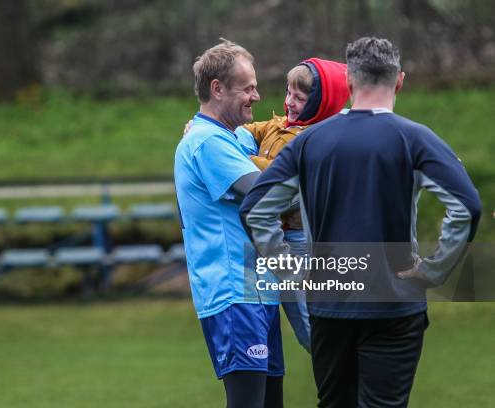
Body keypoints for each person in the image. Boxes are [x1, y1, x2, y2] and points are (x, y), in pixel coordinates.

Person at [240, 37, 481, 408]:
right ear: (399, 81)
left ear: (349, 83)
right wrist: (434, 271)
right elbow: (466, 205)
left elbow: (256, 210)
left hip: (329, 305)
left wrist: (291, 270)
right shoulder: (415, 139)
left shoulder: (309, 143)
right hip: (394, 303)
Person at [184, 57, 349, 352]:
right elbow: (244, 132)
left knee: (309, 318)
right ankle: (333, 360)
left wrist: (238, 162)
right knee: (297, 317)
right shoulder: (282, 125)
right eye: (288, 93)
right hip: (276, 239)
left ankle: (337, 362)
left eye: (299, 98)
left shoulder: (316, 139)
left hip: (299, 240)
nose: (289, 103)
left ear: (321, 104)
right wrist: (206, 131)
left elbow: (278, 177)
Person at [174, 39, 284, 408]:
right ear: (217, 89)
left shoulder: (232, 137)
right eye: (247, 88)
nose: (256, 95)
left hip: (259, 290)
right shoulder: (207, 142)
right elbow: (267, 191)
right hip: (234, 292)